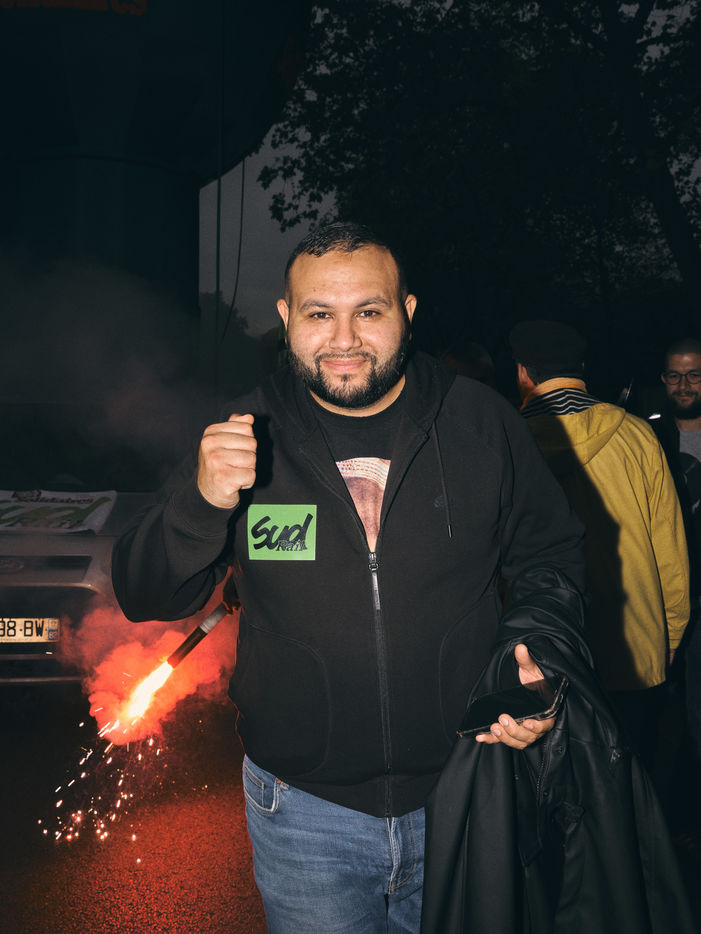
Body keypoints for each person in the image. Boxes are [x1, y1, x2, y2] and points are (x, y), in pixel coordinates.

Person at [112, 223, 586, 934]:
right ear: (285, 318)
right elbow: (145, 594)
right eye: (318, 313)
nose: (344, 339)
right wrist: (202, 504)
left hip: (466, 789)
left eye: (368, 310)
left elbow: (551, 556)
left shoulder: (481, 423)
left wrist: (539, 660)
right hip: (303, 812)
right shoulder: (243, 430)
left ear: (407, 312)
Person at [509, 319, 690, 772]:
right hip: (635, 646)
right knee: (633, 778)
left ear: (524, 373)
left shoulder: (508, 441)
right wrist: (671, 631)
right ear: (582, 369)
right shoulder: (636, 434)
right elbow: (669, 546)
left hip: (546, 654)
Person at [652, 338, 701, 786]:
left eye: (694, 375)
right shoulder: (646, 434)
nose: (684, 385)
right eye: (675, 375)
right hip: (666, 592)